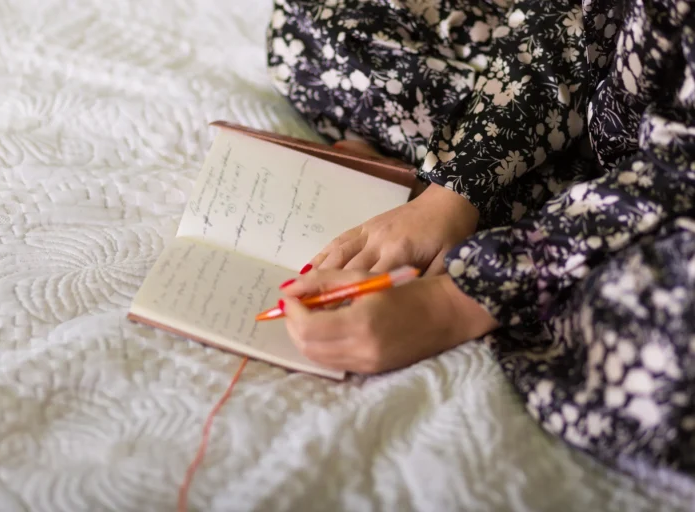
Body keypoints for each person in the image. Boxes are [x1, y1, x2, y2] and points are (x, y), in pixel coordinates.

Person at [266, 0, 695, 494]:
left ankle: (552, 220)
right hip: (614, 91)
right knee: (315, 22)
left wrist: (454, 303)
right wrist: (456, 189)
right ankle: (545, 195)